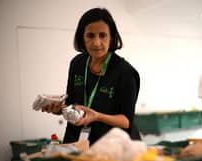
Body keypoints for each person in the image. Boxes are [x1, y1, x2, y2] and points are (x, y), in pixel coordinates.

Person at [42, 8, 141, 145]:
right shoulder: (77, 63)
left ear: (111, 37)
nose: (96, 42)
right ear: (82, 37)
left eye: (102, 35)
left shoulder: (125, 72)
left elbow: (126, 121)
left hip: (111, 146)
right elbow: (72, 103)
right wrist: (59, 109)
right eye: (90, 35)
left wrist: (97, 116)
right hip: (77, 141)